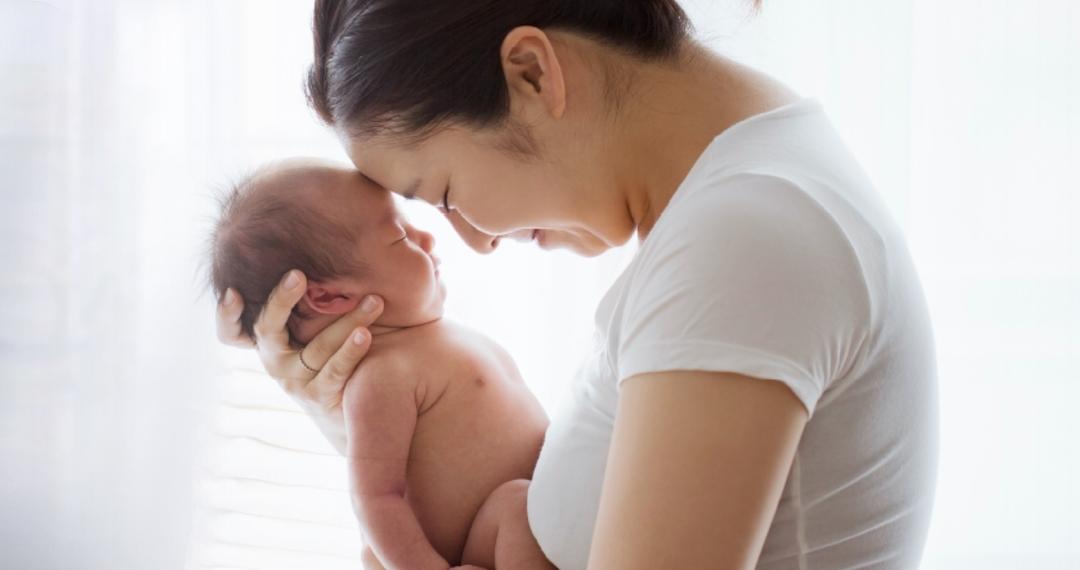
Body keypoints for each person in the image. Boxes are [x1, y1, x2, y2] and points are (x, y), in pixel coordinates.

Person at [217, 1, 938, 567]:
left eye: (441, 193)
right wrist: (345, 397)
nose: (477, 239)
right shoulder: (744, 197)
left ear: (532, 72)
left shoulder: (742, 241)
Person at [208, 158, 553, 569]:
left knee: (527, 505)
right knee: (519, 509)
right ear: (329, 298)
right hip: (486, 543)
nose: (426, 237)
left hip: (534, 511)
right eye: (400, 236)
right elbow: (375, 497)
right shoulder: (383, 376)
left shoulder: (437, 338)